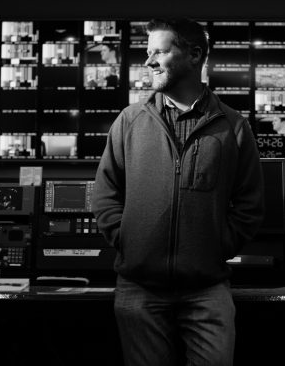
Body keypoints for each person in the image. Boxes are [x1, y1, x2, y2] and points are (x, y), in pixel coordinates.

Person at [92, 18, 264, 366]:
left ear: (195, 54)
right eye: (147, 52)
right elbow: (105, 193)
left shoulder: (232, 126)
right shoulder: (129, 120)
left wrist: (216, 247)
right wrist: (128, 240)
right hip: (139, 288)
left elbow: (250, 203)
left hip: (207, 289)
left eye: (159, 51)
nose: (148, 61)